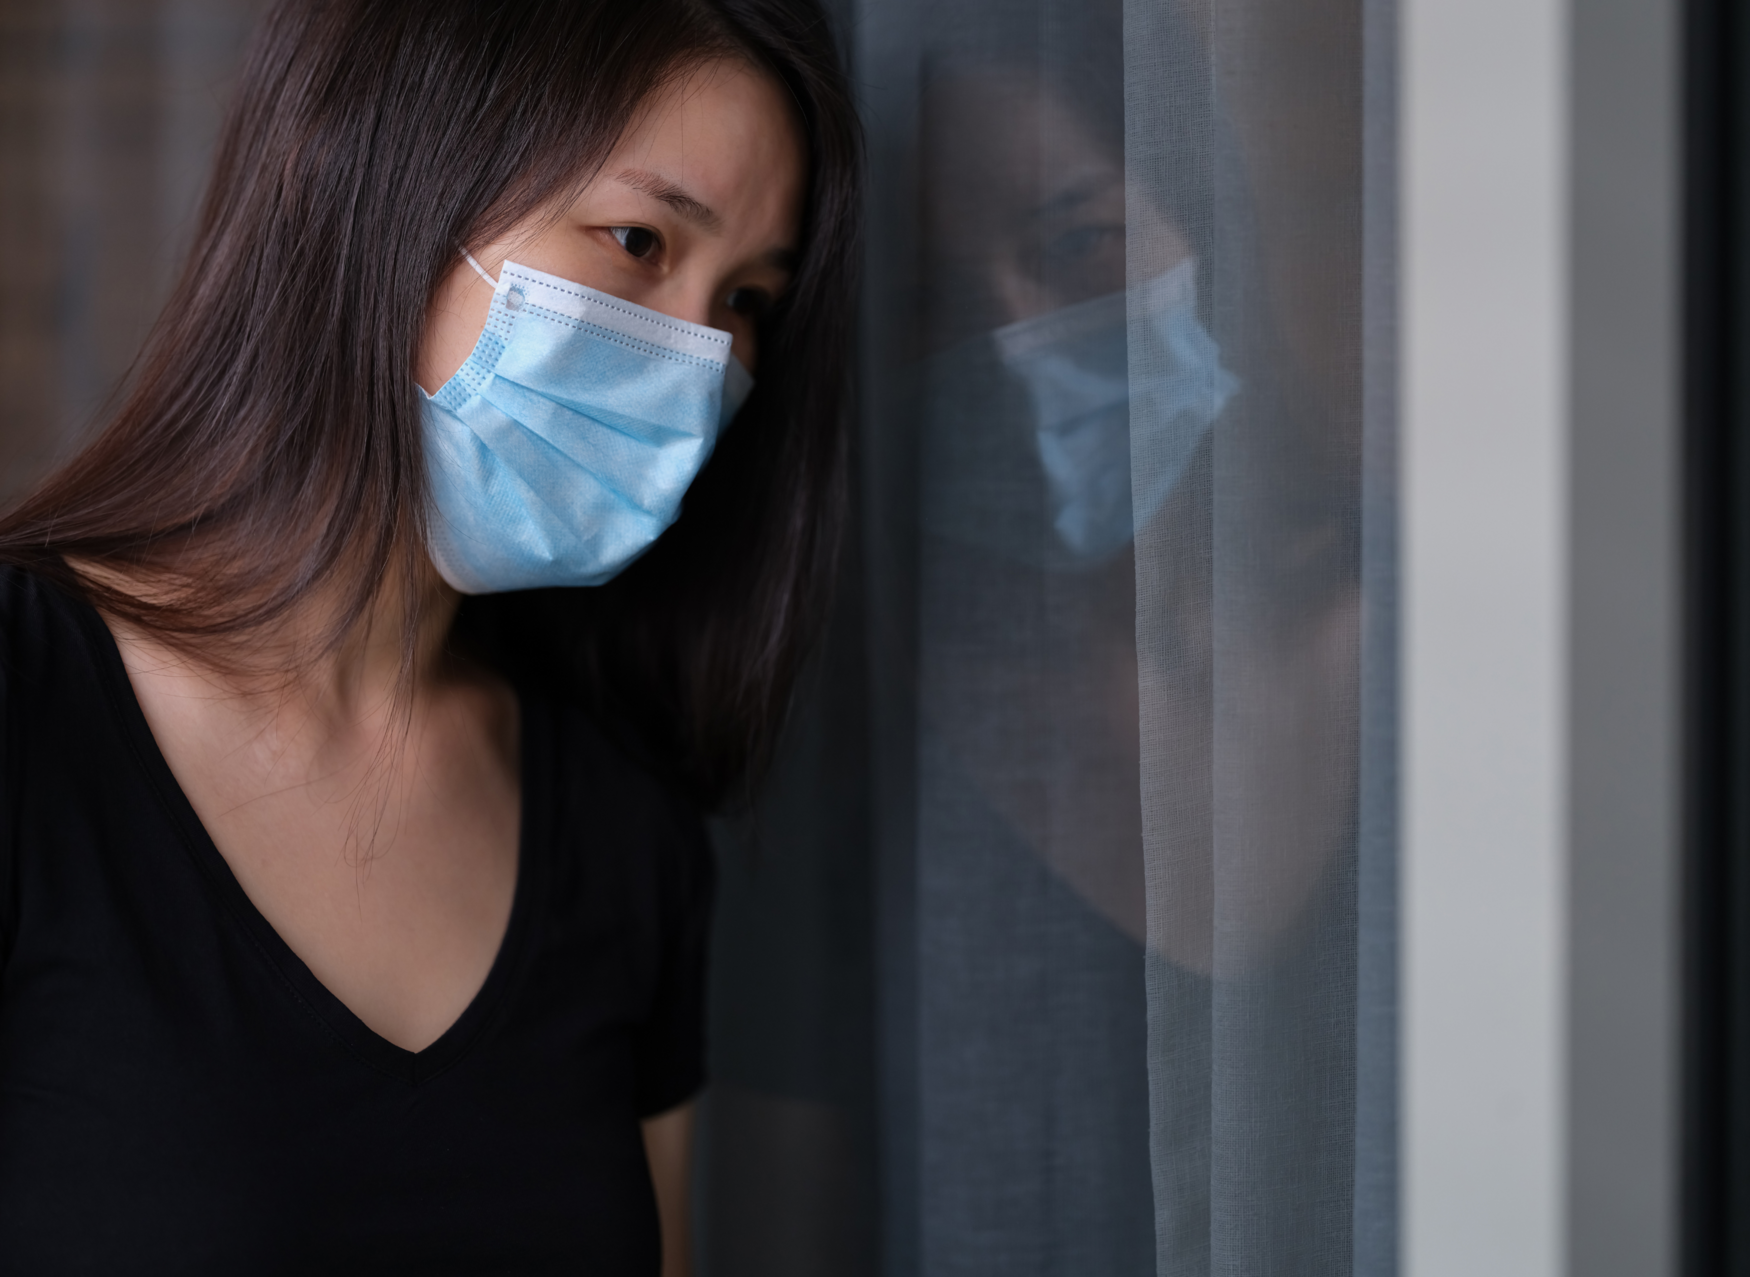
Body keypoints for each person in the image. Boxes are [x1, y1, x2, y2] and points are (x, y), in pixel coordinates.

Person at [0, 0, 860, 1271]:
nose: (695, 362)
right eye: (637, 239)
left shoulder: (624, 829)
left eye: (743, 299)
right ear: (361, 171)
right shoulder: (28, 709)